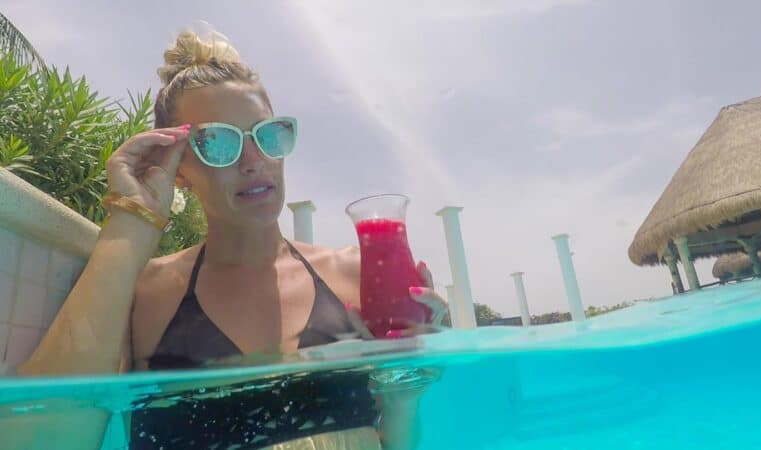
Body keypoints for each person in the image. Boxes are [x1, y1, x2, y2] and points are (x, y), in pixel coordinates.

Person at [17, 27, 448, 450]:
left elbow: (395, 439)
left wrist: (404, 389)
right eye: (218, 142)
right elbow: (41, 438)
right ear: (179, 170)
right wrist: (133, 222)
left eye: (268, 134)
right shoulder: (145, 292)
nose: (253, 160)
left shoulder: (353, 276)